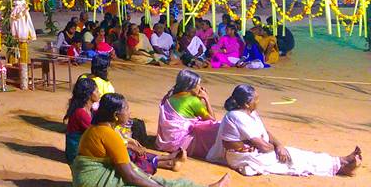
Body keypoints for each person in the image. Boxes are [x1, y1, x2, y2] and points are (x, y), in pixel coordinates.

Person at [71, 93, 231, 187]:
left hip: (85, 178)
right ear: (115, 115)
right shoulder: (109, 134)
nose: (129, 112)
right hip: (92, 181)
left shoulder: (99, 128)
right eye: (126, 109)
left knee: (154, 180)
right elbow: (130, 176)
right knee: (159, 183)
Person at [207, 84, 362, 176]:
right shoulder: (236, 116)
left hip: (258, 151)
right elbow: (262, 145)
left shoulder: (250, 112)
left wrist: (279, 145)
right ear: (247, 104)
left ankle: (341, 161)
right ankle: (341, 166)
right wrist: (275, 149)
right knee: (295, 160)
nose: (259, 101)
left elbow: (265, 133)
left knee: (297, 154)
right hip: (244, 157)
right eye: (256, 99)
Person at [156, 70, 220, 160]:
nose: (200, 87)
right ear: (191, 85)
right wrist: (206, 99)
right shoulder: (193, 100)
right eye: (198, 84)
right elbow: (212, 120)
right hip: (180, 143)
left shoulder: (170, 96)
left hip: (166, 142)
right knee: (217, 126)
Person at [65, 77, 100, 163]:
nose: (100, 93)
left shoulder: (89, 109)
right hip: (76, 154)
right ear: (89, 94)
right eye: (96, 91)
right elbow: (97, 134)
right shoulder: (81, 113)